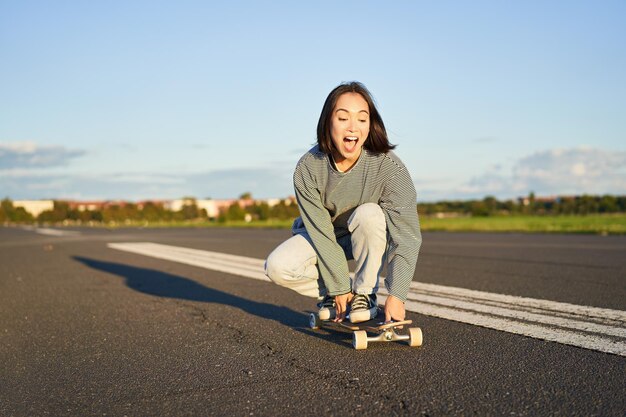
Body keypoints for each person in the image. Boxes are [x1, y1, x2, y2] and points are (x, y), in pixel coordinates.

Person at [264, 81, 421, 324]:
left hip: (366, 236)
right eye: (343, 118)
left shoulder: (390, 168)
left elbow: (407, 236)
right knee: (277, 266)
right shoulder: (308, 167)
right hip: (323, 237)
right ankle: (336, 292)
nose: (353, 127)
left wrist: (397, 295)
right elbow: (320, 232)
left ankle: (364, 294)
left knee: (370, 214)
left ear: (371, 125)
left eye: (362, 118)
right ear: (328, 122)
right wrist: (337, 285)